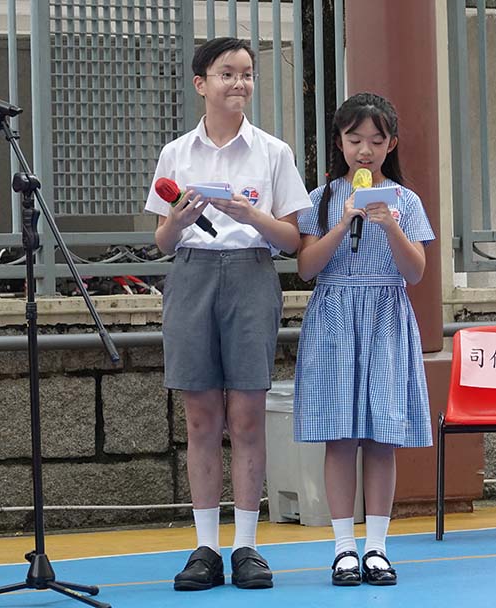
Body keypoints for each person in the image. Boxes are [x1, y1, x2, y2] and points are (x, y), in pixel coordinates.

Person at [144, 37, 312, 591]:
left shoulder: (273, 152)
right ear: (201, 83)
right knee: (200, 418)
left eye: (246, 74)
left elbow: (292, 239)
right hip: (192, 273)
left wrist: (250, 215)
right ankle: (204, 548)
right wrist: (180, 218)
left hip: (250, 273)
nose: (239, 83)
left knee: (246, 415)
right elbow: (162, 241)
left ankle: (246, 546)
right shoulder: (176, 153)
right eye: (227, 73)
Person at [293, 92, 435, 587]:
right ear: (339, 142)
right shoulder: (322, 198)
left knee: (380, 436)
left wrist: (389, 225)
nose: (365, 150)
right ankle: (343, 548)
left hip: (385, 317)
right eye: (355, 139)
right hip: (335, 316)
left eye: (376, 140)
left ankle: (377, 547)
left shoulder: (405, 201)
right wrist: (344, 222)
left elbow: (415, 272)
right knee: (340, 435)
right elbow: (306, 267)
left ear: (391, 144)